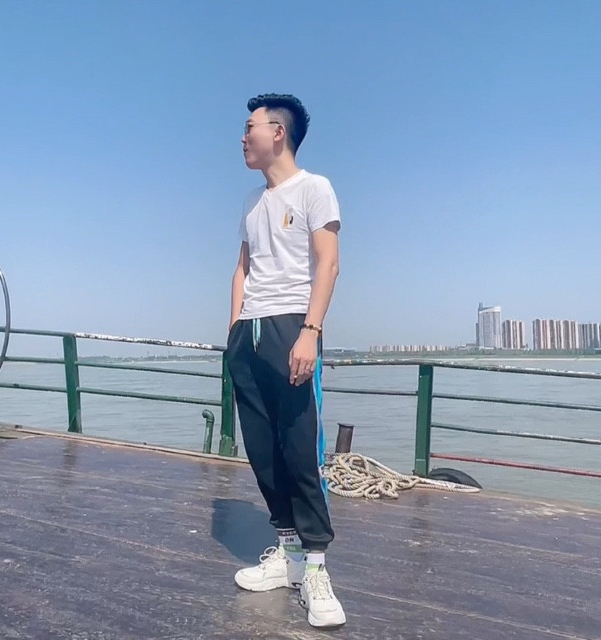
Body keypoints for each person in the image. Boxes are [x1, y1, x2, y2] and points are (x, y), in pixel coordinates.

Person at [226, 93, 345, 628]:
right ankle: (289, 551)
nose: (242, 137)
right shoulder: (252, 200)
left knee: (299, 449)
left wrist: (310, 333)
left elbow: (328, 263)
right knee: (262, 448)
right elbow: (243, 268)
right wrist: (234, 328)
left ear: (277, 132)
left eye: (249, 127)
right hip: (248, 334)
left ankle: (316, 567)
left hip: (292, 327)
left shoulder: (315, 188)